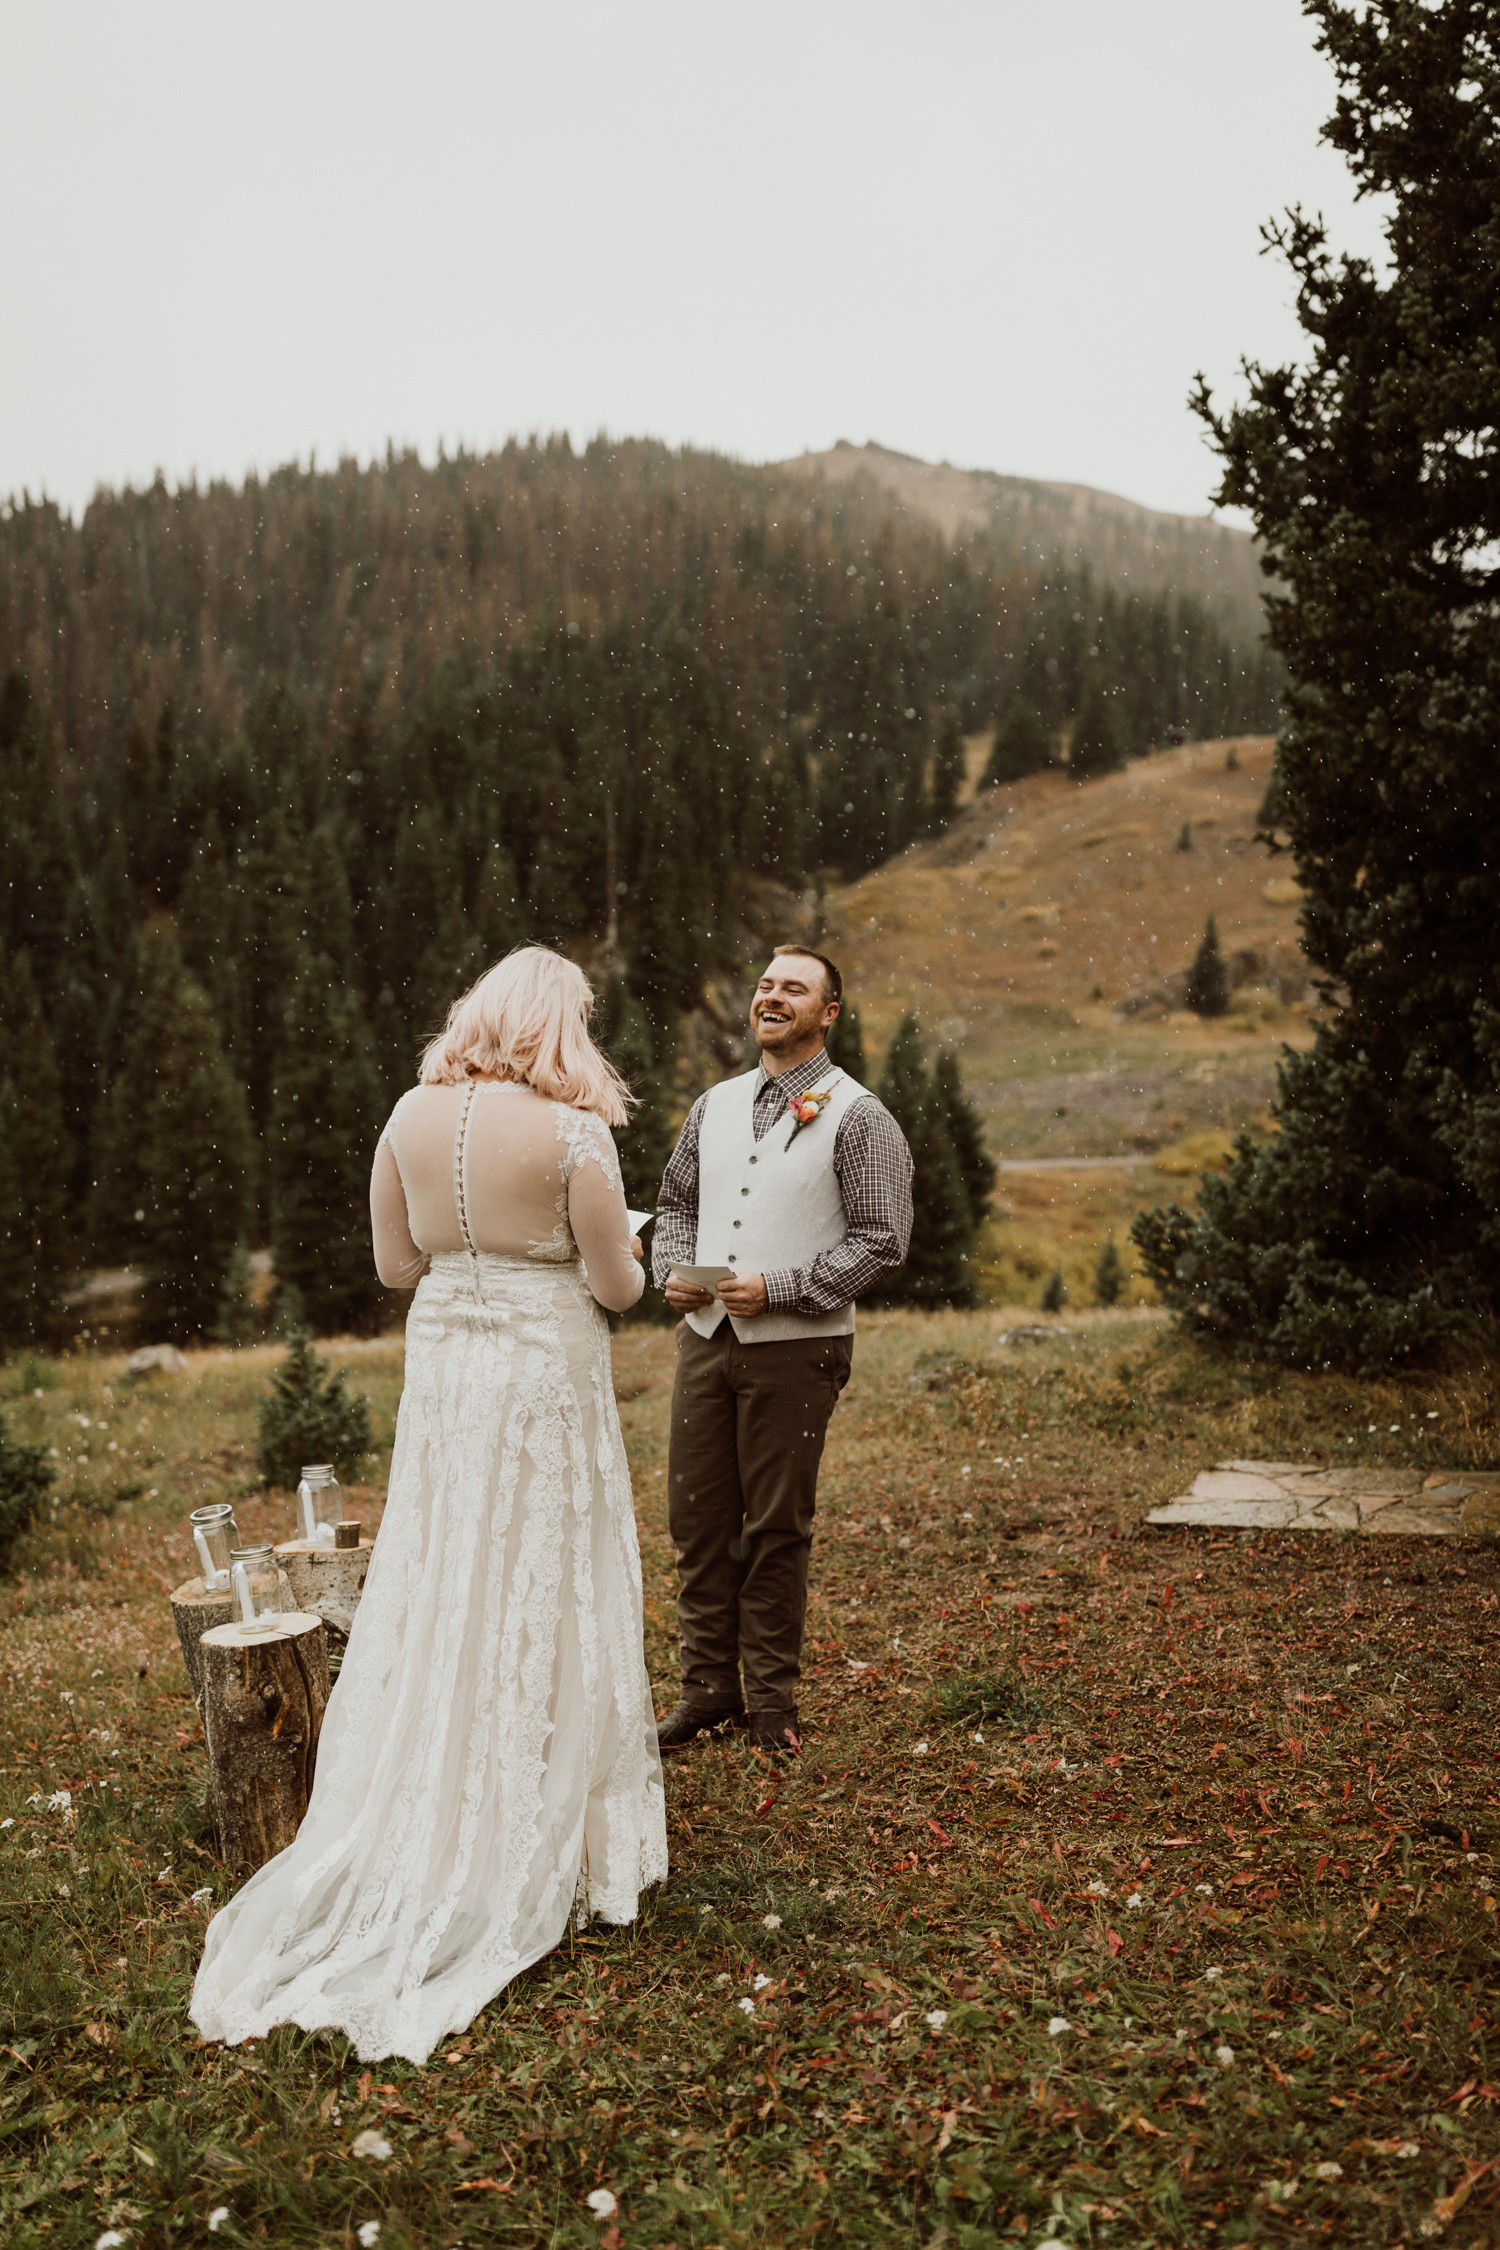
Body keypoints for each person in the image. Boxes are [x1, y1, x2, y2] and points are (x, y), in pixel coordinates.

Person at [191, 947, 667, 2065]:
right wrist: (629, 1245)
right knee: (547, 1571)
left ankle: (433, 1788)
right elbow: (616, 1288)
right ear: (559, 1025)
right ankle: (554, 1821)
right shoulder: (574, 1136)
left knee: (449, 1567)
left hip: (450, 1377)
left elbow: (396, 1265)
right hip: (543, 1378)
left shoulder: (408, 1114)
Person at [651, 946, 913, 1757]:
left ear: (827, 1014)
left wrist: (783, 1286)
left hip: (797, 1352)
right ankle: (706, 1692)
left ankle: (770, 1703)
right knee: (696, 1522)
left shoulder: (859, 1114)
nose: (772, 997)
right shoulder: (716, 1104)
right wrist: (672, 1271)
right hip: (707, 1344)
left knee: (773, 1529)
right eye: (766, 984)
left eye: (793, 989)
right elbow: (675, 1203)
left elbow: (884, 1242)